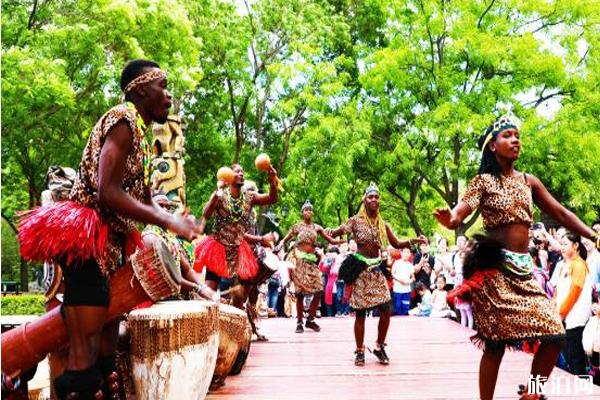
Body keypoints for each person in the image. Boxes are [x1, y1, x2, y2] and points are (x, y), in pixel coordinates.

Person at [18, 60, 199, 399]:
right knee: (83, 351)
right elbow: (107, 191)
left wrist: (177, 220)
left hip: (110, 242)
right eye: (163, 85)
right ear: (141, 88)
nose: (169, 95)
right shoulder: (123, 119)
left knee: (105, 343)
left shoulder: (142, 138)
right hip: (86, 237)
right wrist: (165, 220)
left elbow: (144, 201)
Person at [435, 113, 597, 400]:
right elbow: (461, 211)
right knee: (495, 344)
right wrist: (450, 220)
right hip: (495, 272)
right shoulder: (482, 182)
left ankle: (532, 394)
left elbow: (560, 212)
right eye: (507, 135)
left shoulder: (528, 181)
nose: (515, 140)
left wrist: (593, 235)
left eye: (517, 135)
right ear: (492, 146)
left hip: (525, 273)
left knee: (554, 333)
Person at [326, 183, 426, 366]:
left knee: (387, 309)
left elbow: (396, 243)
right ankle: (359, 350)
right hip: (361, 271)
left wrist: (414, 240)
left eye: (376, 197)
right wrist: (331, 232)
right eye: (370, 197)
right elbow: (341, 229)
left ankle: (379, 346)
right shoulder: (356, 220)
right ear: (364, 200)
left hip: (376, 270)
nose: (374, 199)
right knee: (361, 313)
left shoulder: (383, 224)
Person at [194, 163, 279, 308]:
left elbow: (272, 198)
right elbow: (206, 214)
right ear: (228, 176)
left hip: (239, 252)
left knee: (238, 298)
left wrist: (272, 180)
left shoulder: (249, 197)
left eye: (242, 171)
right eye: (237, 172)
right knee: (208, 295)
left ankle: (237, 327)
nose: (241, 174)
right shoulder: (220, 195)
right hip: (217, 249)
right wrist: (218, 191)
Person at [277, 200, 340, 333]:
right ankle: (299, 322)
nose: (308, 212)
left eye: (310, 210)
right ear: (302, 212)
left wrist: (340, 239)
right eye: (306, 210)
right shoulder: (297, 227)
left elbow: (331, 240)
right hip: (299, 262)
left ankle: (310, 320)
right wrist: (280, 244)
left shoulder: (317, 227)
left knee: (318, 290)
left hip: (312, 263)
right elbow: (286, 238)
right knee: (300, 293)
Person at [554, 232, 593, 375]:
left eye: (565, 244)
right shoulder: (566, 265)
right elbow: (559, 291)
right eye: (562, 244)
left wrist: (561, 313)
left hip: (576, 319)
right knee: (570, 359)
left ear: (576, 245)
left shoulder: (579, 265)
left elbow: (575, 291)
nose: (562, 247)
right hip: (565, 318)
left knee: (576, 361)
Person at [391, 248, 414, 316]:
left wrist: (409, 281)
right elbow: (392, 273)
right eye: (405, 252)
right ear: (401, 253)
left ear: (410, 254)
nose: (406, 254)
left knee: (405, 307)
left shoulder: (410, 265)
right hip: (397, 289)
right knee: (397, 307)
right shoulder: (397, 262)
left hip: (406, 289)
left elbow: (413, 277)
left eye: (408, 253)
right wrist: (399, 279)